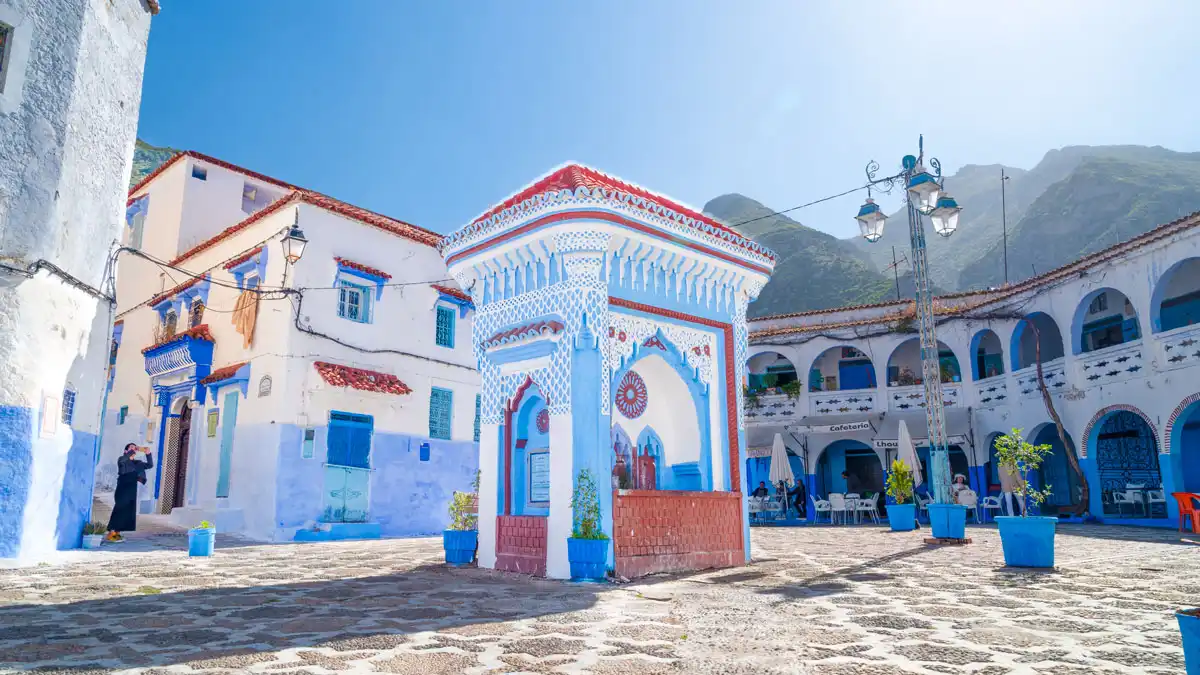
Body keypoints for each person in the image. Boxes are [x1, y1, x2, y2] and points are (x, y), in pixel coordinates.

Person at [106, 443, 153, 542]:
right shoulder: (122, 460)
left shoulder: (137, 463)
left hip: (132, 488)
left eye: (134, 447)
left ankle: (117, 533)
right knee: (120, 508)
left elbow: (150, 465)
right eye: (131, 448)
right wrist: (134, 450)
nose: (133, 449)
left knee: (127, 511)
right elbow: (124, 459)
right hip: (123, 487)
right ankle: (111, 533)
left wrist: (148, 454)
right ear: (125, 451)